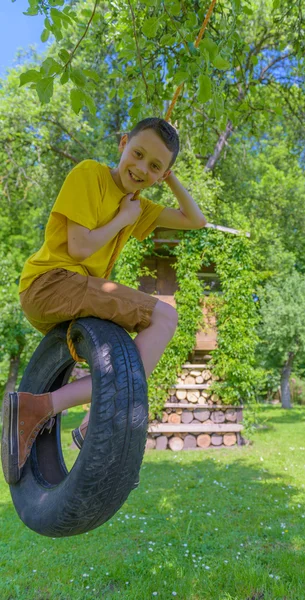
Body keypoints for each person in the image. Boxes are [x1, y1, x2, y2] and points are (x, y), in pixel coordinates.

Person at [1, 117, 207, 485]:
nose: (142, 168)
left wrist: (169, 177)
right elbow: (79, 247)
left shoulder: (139, 206)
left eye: (155, 166)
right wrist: (123, 217)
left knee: (125, 361)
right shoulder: (91, 175)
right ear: (123, 143)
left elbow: (196, 219)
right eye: (138, 154)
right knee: (164, 318)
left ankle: (45, 408)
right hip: (50, 282)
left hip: (71, 291)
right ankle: (76, 412)